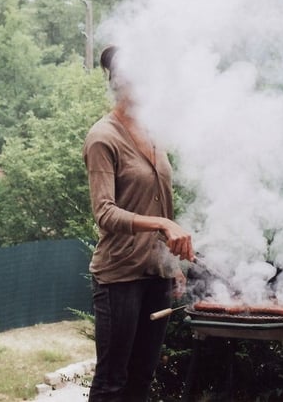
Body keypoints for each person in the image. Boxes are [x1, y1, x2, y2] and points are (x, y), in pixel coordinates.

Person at [83, 45, 195, 402]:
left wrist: (173, 265)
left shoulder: (153, 133)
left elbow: (163, 203)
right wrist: (161, 223)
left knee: (142, 378)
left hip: (157, 272)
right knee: (112, 382)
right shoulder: (103, 137)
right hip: (119, 276)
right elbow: (105, 213)